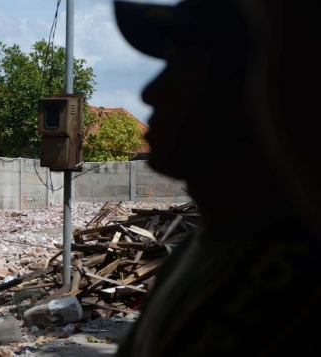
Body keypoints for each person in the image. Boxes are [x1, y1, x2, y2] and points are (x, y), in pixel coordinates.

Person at [113, 0, 321, 355]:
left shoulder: (300, 273)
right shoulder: (197, 251)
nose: (150, 92)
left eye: (183, 66)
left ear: (264, 88)